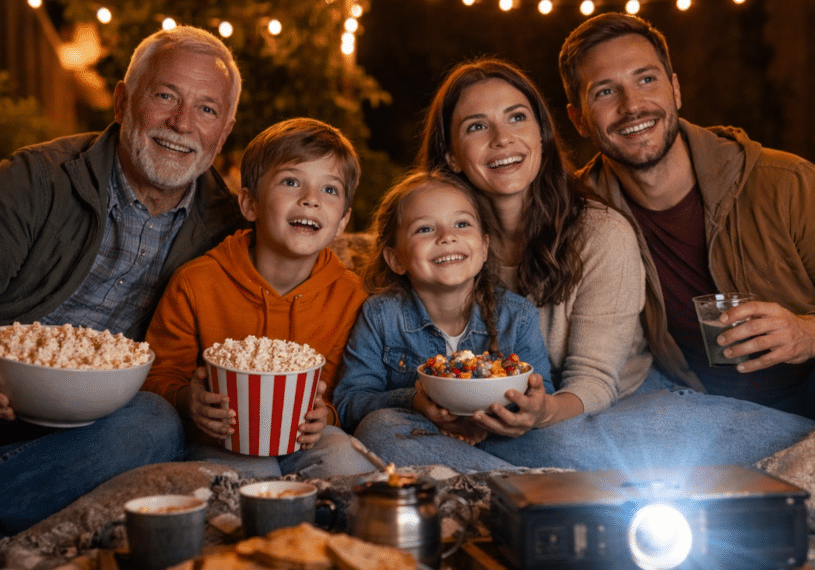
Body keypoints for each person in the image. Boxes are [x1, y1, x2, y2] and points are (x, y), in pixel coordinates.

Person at [348, 58, 815, 474]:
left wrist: (539, 415)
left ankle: (511, 477)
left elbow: (594, 382)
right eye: (476, 126)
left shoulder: (600, 233)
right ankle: (530, 486)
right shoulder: (450, 247)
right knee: (384, 429)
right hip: (505, 423)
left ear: (542, 136)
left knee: (587, 441)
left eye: (517, 117)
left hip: (608, 408)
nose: (501, 138)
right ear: (451, 153)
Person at [559, 12, 815, 424]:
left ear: (675, 89)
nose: (632, 105)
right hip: (706, 418)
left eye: (647, 80)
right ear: (578, 118)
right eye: (604, 92)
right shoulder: (578, 220)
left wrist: (814, 331)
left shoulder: (787, 184)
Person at [0, 25, 244, 536]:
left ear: (223, 133)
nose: (181, 123)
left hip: (98, 430)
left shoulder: (227, 230)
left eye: (206, 109)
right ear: (122, 101)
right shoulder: (36, 179)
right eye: (165, 96)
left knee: (155, 425)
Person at [142, 117, 375, 478]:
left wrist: (324, 415)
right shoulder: (196, 282)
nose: (311, 199)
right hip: (219, 438)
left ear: (342, 222)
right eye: (291, 181)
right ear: (250, 204)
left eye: (329, 189)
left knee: (347, 458)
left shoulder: (349, 297)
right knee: (252, 473)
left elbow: (345, 391)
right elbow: (158, 374)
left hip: (308, 442)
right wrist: (189, 401)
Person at [333, 169, 555, 448]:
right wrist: (413, 401)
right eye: (425, 229)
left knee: (558, 435)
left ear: (484, 247)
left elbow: (542, 390)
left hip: (500, 437)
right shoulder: (380, 316)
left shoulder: (517, 316)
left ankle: (471, 476)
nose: (447, 237)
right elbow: (350, 403)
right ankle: (497, 481)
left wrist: (530, 411)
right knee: (378, 429)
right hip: (422, 435)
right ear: (395, 258)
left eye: (462, 224)